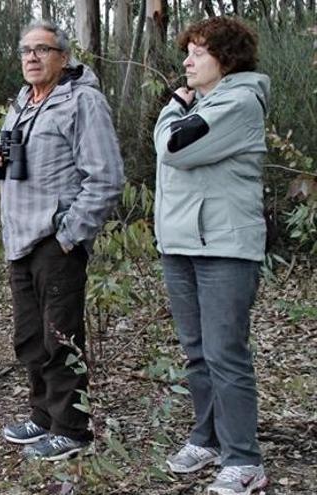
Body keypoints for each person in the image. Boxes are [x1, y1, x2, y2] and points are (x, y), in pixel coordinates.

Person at [0, 21, 124, 461]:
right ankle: (43, 416)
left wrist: (69, 235)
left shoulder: (82, 101)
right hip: (19, 239)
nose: (31, 57)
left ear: (63, 57)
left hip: (54, 240)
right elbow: (16, 167)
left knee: (59, 337)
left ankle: (71, 428)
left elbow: (106, 178)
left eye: (42, 50)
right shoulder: (23, 101)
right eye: (26, 50)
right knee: (30, 338)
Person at [153, 17, 269, 495]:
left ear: (227, 58)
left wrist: (171, 108)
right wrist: (181, 106)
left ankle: (244, 459)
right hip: (181, 243)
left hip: (224, 246)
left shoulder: (238, 102)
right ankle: (208, 438)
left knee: (225, 354)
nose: (187, 62)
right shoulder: (207, 102)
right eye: (188, 52)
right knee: (197, 353)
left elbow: (175, 147)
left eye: (198, 52)